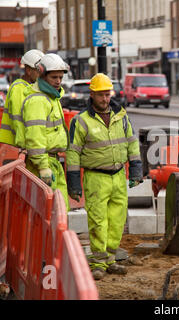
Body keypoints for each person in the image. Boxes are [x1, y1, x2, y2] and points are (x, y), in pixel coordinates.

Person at [66, 73, 143, 280]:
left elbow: (132, 144)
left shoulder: (121, 115)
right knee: (98, 221)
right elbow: (73, 153)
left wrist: (136, 169)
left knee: (117, 221)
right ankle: (98, 262)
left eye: (107, 94)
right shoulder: (81, 121)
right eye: (100, 95)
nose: (105, 99)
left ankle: (110, 259)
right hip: (96, 178)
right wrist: (73, 183)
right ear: (92, 94)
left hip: (118, 176)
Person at [21, 53, 70, 210]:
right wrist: (43, 167)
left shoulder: (50, 98)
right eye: (54, 77)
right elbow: (35, 137)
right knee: (52, 212)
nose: (58, 82)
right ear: (42, 75)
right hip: (44, 164)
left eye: (60, 78)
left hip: (53, 162)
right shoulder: (38, 101)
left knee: (60, 210)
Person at [0, 49, 44, 146]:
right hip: (15, 147)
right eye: (38, 71)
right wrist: (27, 146)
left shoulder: (31, 87)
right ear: (28, 70)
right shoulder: (19, 88)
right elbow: (19, 122)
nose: (41, 75)